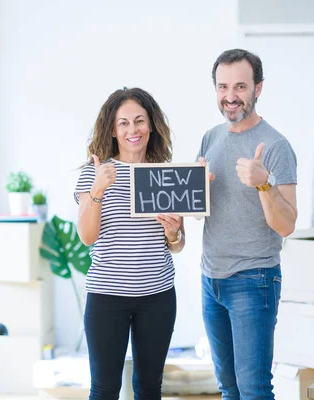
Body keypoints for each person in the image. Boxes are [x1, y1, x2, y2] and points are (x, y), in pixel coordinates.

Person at [196, 49, 298, 399]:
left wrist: (264, 183)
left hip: (253, 280)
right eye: (223, 86)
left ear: (258, 89)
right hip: (211, 279)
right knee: (228, 389)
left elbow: (286, 225)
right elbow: (202, 210)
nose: (230, 96)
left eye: (240, 86)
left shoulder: (276, 147)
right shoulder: (210, 138)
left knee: (254, 390)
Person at [74, 87, 185, 400]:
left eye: (139, 121)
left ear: (151, 125)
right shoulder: (94, 173)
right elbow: (86, 237)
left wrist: (173, 232)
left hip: (158, 296)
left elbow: (176, 245)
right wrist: (98, 189)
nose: (132, 129)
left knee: (150, 388)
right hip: (107, 297)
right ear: (112, 129)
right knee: (105, 390)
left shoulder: (165, 174)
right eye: (123, 123)